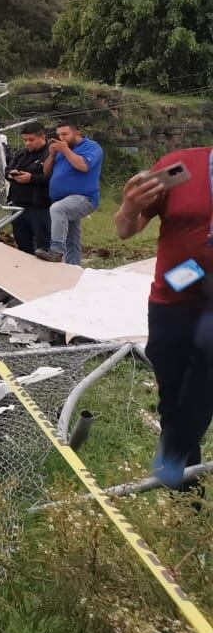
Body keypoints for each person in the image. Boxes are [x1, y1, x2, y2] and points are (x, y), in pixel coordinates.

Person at [114, 145, 213, 488]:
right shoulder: (178, 166)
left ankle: (173, 461)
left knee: (204, 379)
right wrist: (130, 206)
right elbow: (126, 229)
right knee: (173, 397)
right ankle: (185, 494)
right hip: (172, 300)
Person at [36, 119, 104, 266]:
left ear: (77, 133)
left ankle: (56, 251)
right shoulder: (60, 150)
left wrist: (65, 150)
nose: (61, 138)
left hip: (85, 198)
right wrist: (52, 155)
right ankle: (73, 268)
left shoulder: (91, 147)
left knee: (58, 209)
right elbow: (46, 171)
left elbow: (84, 166)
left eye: (65, 134)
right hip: (63, 198)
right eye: (59, 134)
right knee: (72, 239)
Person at [4, 122, 51, 254]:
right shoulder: (21, 154)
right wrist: (12, 175)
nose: (27, 143)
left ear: (42, 137)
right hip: (18, 205)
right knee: (22, 243)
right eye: (25, 140)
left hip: (39, 205)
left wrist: (32, 178)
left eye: (31, 140)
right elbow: (7, 171)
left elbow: (53, 179)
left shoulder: (50, 155)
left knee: (44, 245)